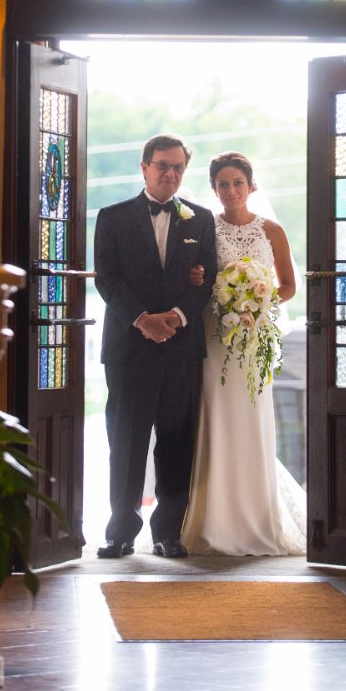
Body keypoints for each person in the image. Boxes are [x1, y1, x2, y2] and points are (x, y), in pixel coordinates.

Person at [94, 133, 217, 559]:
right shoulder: (112, 217)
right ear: (144, 167)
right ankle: (120, 532)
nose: (170, 173)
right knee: (126, 442)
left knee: (176, 441)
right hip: (129, 348)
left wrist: (177, 317)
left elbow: (208, 279)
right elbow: (107, 280)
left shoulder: (200, 220)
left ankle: (168, 533)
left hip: (181, 348)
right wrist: (143, 320)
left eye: (178, 167)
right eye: (162, 165)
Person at [181, 151, 307, 556]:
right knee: (215, 416)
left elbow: (288, 285)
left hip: (253, 338)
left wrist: (257, 304)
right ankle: (212, 519)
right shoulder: (205, 228)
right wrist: (205, 284)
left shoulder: (272, 230)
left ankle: (256, 517)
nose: (231, 190)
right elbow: (196, 277)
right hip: (214, 336)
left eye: (238, 183)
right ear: (213, 188)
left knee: (250, 416)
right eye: (223, 184)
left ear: (251, 186)